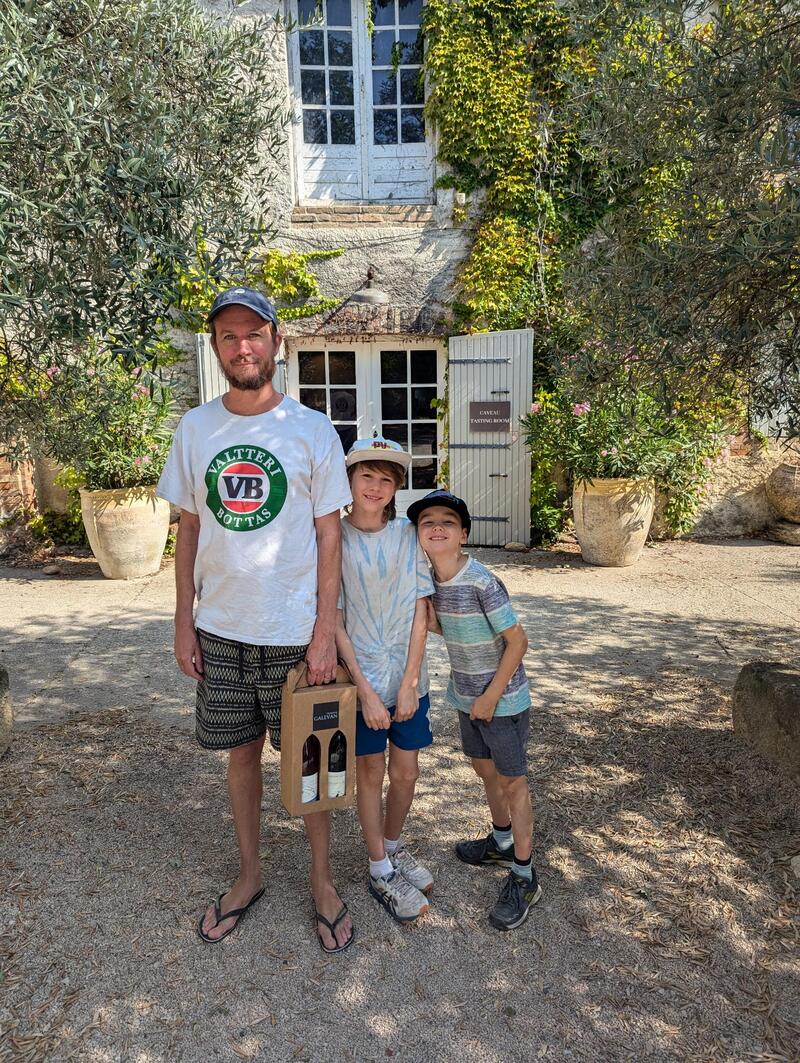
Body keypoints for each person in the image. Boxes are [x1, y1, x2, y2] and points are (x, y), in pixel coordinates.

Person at [156, 285, 355, 953]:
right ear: (217, 348)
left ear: (277, 341)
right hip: (220, 628)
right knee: (240, 755)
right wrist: (184, 621)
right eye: (229, 335)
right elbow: (187, 531)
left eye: (254, 332)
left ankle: (323, 881)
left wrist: (324, 629)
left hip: (294, 635)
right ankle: (249, 874)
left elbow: (331, 536)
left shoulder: (310, 428)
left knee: (311, 764)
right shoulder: (195, 429)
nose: (243, 345)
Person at [408, 489, 541, 931]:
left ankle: (524, 874)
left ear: (463, 533)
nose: (437, 527)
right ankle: (501, 841)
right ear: (419, 535)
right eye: (427, 522)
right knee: (484, 771)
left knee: (512, 780)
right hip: (468, 698)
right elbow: (451, 630)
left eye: (448, 521)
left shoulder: (481, 580)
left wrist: (491, 697)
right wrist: (426, 615)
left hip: (499, 702)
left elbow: (517, 641)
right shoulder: (433, 580)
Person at [334, 438, 435, 923]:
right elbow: (334, 620)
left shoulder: (407, 535)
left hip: (408, 680)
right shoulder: (333, 537)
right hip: (363, 685)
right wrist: (366, 692)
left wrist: (410, 681)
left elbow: (421, 608)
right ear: (350, 480)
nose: (375, 487)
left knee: (408, 772)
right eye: (366, 476)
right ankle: (379, 868)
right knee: (371, 775)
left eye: (386, 479)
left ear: (396, 487)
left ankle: (392, 847)